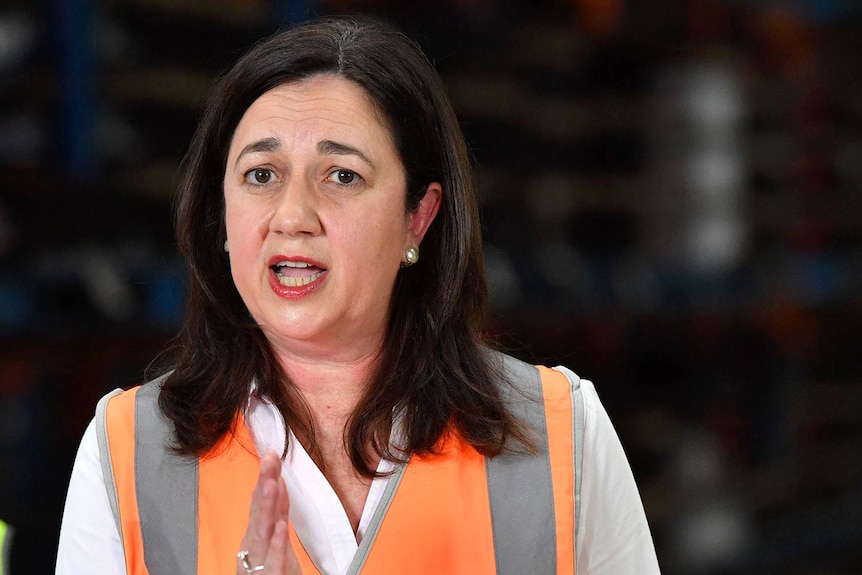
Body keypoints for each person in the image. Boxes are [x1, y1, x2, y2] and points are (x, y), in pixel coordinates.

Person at [55, 15, 660, 575]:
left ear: (417, 219)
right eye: (260, 175)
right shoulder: (127, 453)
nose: (292, 216)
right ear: (221, 216)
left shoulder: (559, 434)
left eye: (342, 176)